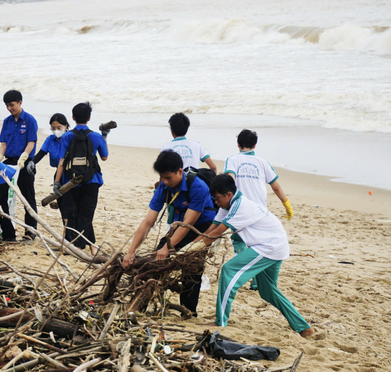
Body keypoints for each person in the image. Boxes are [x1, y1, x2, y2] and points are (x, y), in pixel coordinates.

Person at [194, 174, 314, 337]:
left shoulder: (240, 206)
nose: (215, 202)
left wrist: (194, 248)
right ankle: (304, 327)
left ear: (228, 195)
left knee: (229, 270)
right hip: (274, 244)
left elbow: (218, 232)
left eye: (217, 198)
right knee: (267, 291)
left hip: (269, 246)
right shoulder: (228, 205)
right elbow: (212, 227)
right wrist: (193, 245)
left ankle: (220, 320)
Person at [123, 150, 216, 317]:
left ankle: (188, 312)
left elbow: (189, 223)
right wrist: (131, 251)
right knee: (155, 261)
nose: (165, 182)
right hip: (179, 224)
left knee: (192, 266)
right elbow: (148, 222)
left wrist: (168, 246)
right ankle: (139, 306)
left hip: (201, 226)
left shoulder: (198, 187)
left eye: (168, 178)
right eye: (162, 178)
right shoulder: (164, 187)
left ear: (180, 171)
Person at [223, 129, 294, 290]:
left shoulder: (232, 160)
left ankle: (246, 273)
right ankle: (256, 281)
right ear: (255, 145)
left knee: (239, 241)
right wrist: (286, 203)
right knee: (257, 244)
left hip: (240, 208)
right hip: (260, 211)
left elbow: (230, 179)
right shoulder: (263, 162)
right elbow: (275, 186)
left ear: (238, 144)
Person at [54, 104, 108, 253]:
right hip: (92, 181)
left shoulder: (66, 136)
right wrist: (105, 136)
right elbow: (104, 157)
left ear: (72, 117)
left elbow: (61, 162)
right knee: (86, 214)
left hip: (71, 182)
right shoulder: (96, 136)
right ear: (89, 118)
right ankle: (84, 247)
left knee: (75, 213)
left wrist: (57, 182)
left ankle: (82, 246)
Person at [0, 90, 38, 240]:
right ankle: (7, 231)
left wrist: (24, 157)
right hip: (9, 162)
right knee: (2, 194)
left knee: (27, 197)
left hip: (24, 162)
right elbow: (4, 143)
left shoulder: (29, 120)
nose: (9, 108)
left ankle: (30, 232)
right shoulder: (7, 121)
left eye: (12, 105)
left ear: (20, 102)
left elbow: (31, 142)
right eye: (7, 106)